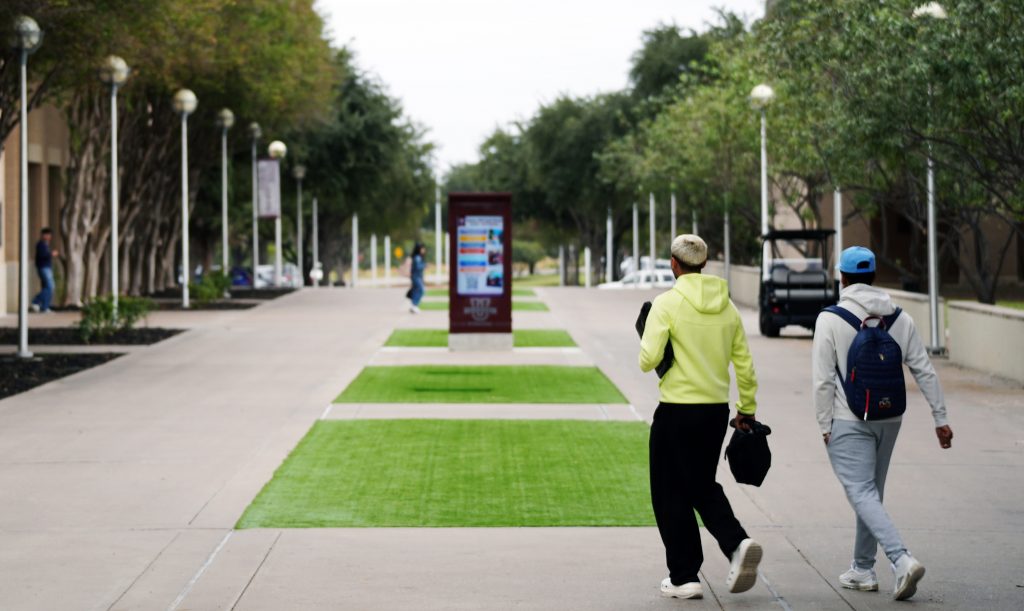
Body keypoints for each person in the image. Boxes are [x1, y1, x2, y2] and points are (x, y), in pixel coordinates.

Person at [812, 246, 952, 601]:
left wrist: (824, 424)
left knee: (860, 492)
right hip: (891, 416)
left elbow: (823, 381)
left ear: (841, 277)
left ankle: (901, 560)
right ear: (873, 276)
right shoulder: (899, 318)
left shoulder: (829, 318)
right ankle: (861, 568)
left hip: (848, 418)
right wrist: (940, 418)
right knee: (870, 492)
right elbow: (924, 369)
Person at [639, 234, 763, 600]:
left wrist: (650, 334)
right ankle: (732, 547)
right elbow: (744, 364)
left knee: (668, 490)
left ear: (673, 264)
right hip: (714, 413)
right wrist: (748, 409)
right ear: (704, 264)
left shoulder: (667, 304)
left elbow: (647, 360)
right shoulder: (728, 307)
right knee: (699, 485)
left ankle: (686, 574)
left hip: (676, 412)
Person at [30, 228, 58, 313]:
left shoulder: (46, 244)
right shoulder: (41, 245)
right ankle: (36, 301)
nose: (49, 237)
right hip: (44, 268)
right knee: (50, 287)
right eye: (48, 235)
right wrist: (51, 254)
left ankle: (44, 307)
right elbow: (42, 256)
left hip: (46, 268)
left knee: (46, 287)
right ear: (44, 235)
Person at [408, 242, 426, 313]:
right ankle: (414, 305)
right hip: (416, 277)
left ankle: (414, 306)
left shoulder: (416, 257)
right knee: (420, 290)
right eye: (423, 248)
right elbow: (418, 267)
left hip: (416, 276)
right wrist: (424, 265)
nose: (424, 250)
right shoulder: (417, 258)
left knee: (416, 290)